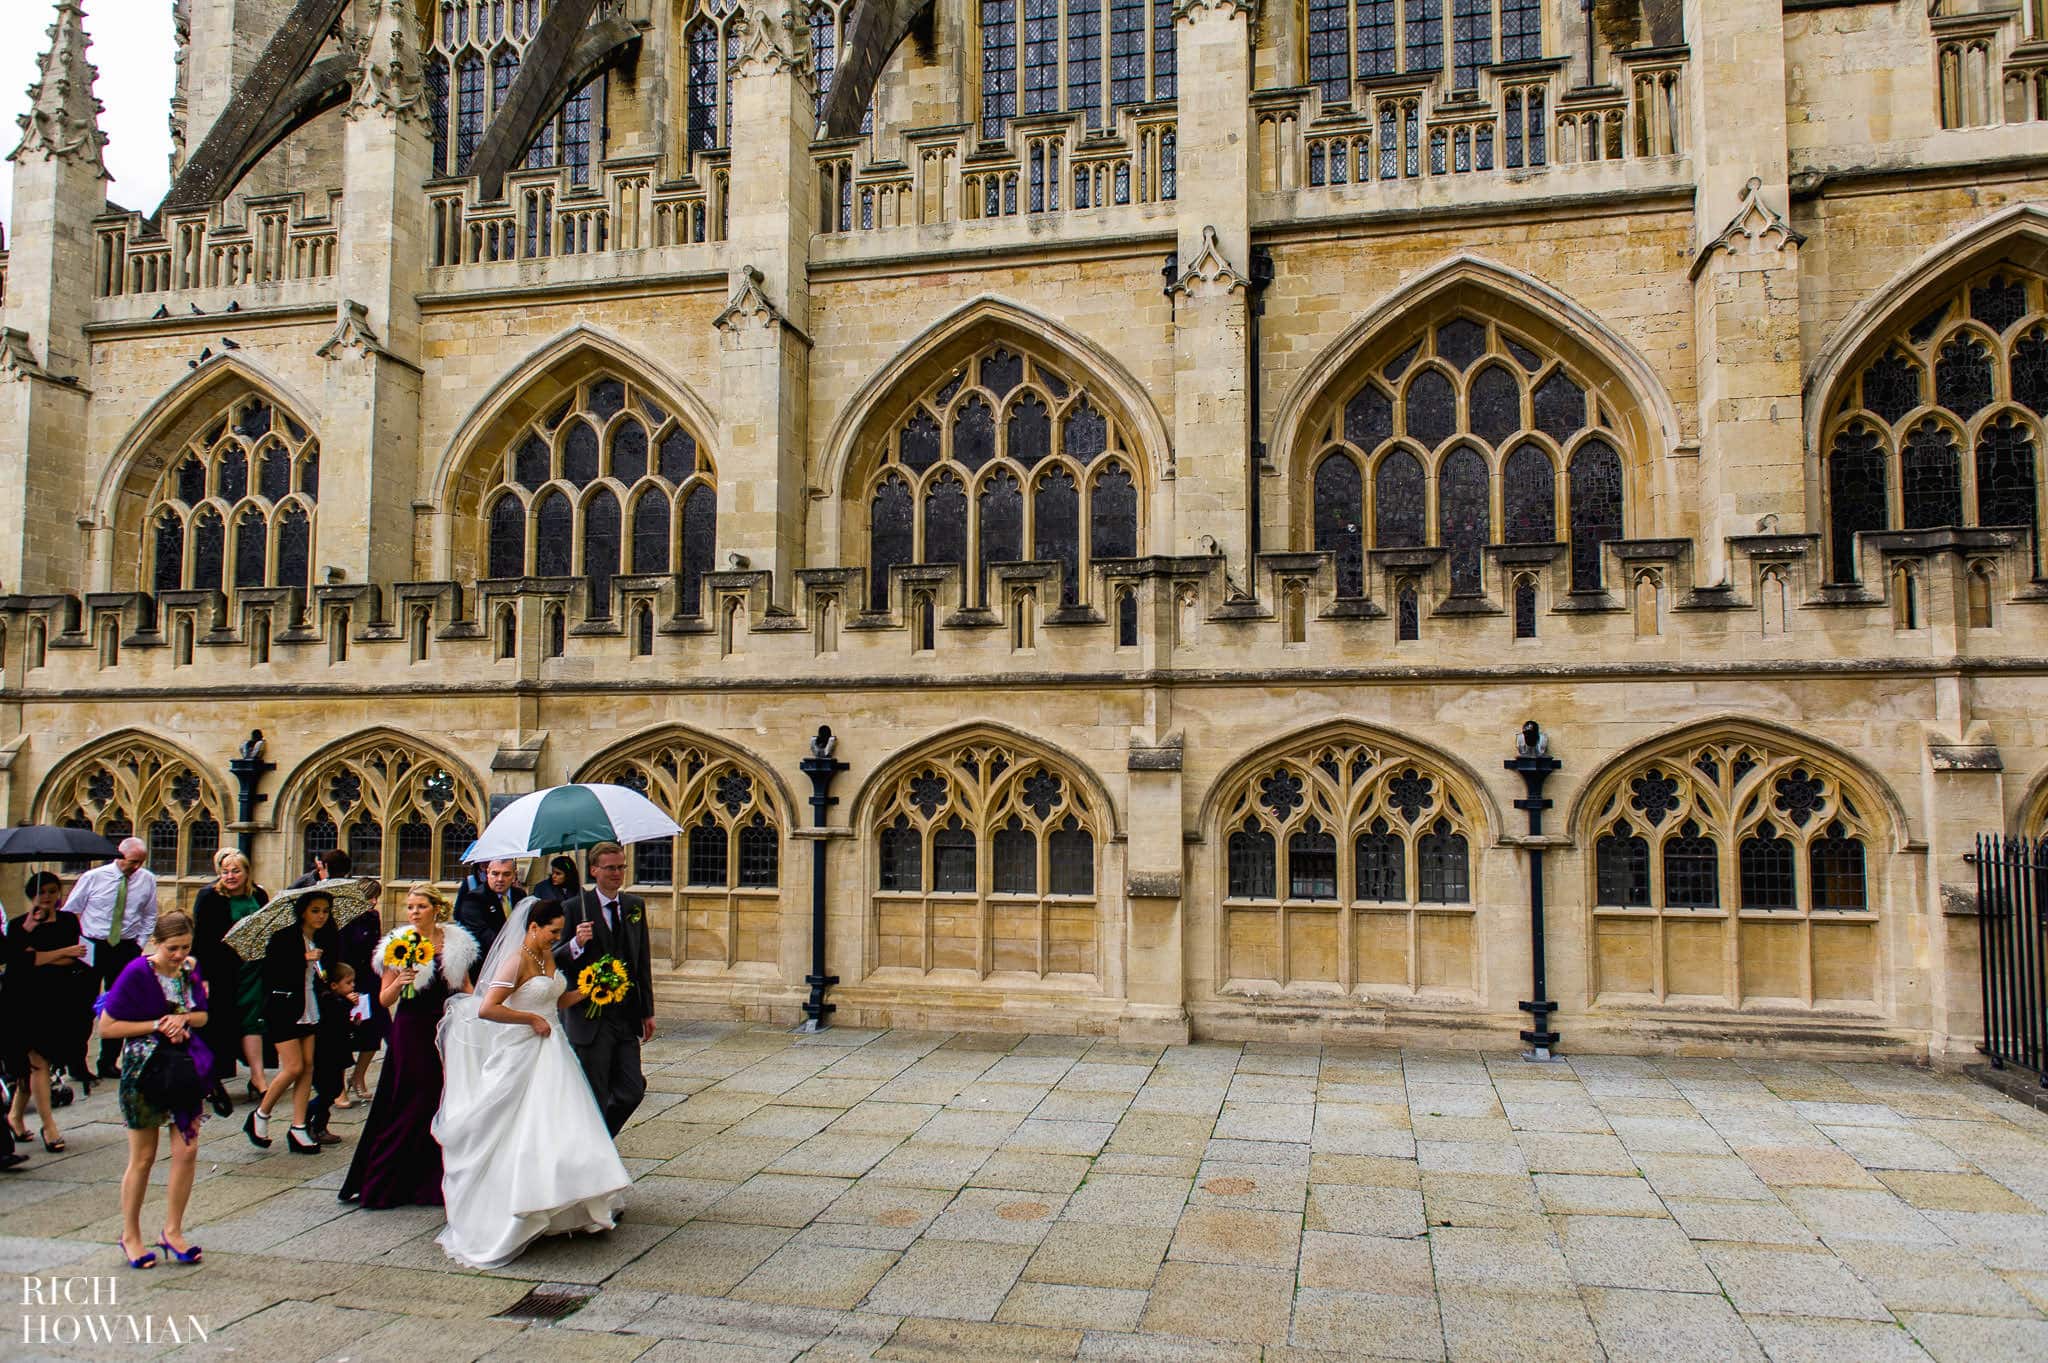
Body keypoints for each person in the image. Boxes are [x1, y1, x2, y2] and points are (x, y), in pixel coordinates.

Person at [436, 897, 629, 1268]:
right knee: (520, 1130)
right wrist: (529, 1020)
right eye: (553, 931)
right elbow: (488, 1007)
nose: (556, 937)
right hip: (522, 1051)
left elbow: (555, 1000)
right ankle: (516, 1208)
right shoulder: (516, 960)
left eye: (560, 931)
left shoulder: (547, 956)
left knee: (563, 1127)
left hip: (553, 1051)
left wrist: (590, 990)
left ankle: (568, 1206)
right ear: (533, 927)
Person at [338, 886, 477, 1208]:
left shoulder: (456, 942)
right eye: (410, 906)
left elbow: (465, 984)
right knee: (412, 1097)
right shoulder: (397, 945)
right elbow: (383, 998)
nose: (413, 912)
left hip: (447, 1025)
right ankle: (387, 1181)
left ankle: (432, 1181)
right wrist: (400, 983)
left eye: (420, 906)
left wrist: (481, 1008)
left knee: (441, 1098)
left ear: (436, 909)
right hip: (412, 1027)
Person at [95, 910, 213, 1269]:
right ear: (156, 943)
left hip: (182, 1070)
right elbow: (108, 1027)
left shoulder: (189, 970)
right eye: (172, 948)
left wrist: (183, 1019)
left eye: (185, 947)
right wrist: (157, 1025)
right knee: (143, 1157)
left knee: (187, 1152)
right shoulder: (136, 972)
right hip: (143, 1071)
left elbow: (203, 1015)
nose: (179, 955)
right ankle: (130, 1234)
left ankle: (172, 1230)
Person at [553, 841, 653, 1135]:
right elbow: (553, 958)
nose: (617, 873)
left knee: (631, 1090)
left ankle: (599, 1144)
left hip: (625, 1016)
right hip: (589, 1017)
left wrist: (647, 1012)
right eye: (610, 868)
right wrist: (576, 943)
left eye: (621, 867)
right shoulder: (573, 908)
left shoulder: (634, 906)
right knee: (593, 1094)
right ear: (594, 869)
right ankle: (592, 1158)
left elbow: (641, 961)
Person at [246, 889, 339, 1155]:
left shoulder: (321, 938)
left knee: (308, 1067)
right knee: (293, 1067)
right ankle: (261, 1114)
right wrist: (302, 959)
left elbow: (325, 972)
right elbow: (272, 971)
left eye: (325, 911)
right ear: (302, 912)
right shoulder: (283, 937)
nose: (321, 916)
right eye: (315, 910)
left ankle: (299, 1126)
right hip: (284, 1008)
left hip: (309, 1005)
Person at [6, 873, 93, 1153]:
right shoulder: (19, 924)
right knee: (37, 1063)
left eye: (52, 891)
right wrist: (53, 950)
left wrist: (44, 955)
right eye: (41, 892)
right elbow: (18, 960)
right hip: (23, 1001)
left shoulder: (68, 921)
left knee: (35, 1066)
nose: (47, 897)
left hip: (57, 1000)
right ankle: (49, 1125)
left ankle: (15, 1116)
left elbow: (75, 955)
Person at [65, 838, 158, 1078]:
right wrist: (78, 942)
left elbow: (149, 914)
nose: (136, 867)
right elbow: (71, 910)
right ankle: (76, 1063)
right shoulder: (93, 877)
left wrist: (139, 943)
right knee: (82, 1004)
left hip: (125, 947)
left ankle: (108, 1062)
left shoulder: (146, 880)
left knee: (118, 1004)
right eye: (132, 862)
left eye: (140, 863)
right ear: (120, 856)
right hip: (93, 945)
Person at [189, 850, 270, 1108]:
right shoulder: (209, 897)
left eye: (236, 871)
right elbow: (200, 940)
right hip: (221, 971)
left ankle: (258, 1078)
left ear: (246, 872)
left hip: (253, 969)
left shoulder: (258, 894)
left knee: (253, 1021)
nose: (230, 876)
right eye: (225, 871)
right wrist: (201, 977)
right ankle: (212, 1079)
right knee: (218, 1024)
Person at [305, 962, 359, 1145]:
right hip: (326, 1055)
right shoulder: (328, 1000)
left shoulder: (337, 1000)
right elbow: (333, 1020)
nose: (352, 986)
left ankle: (317, 1123)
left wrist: (354, 1021)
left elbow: (344, 1024)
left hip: (337, 1052)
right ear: (334, 985)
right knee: (328, 1090)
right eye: (348, 983)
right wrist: (347, 1004)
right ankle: (312, 1119)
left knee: (333, 1089)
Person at [452, 859, 521, 959]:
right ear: (487, 873)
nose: (500, 879)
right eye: (495, 874)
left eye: (506, 874)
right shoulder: (474, 899)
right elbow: (484, 935)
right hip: (487, 960)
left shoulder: (520, 895)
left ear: (514, 875)